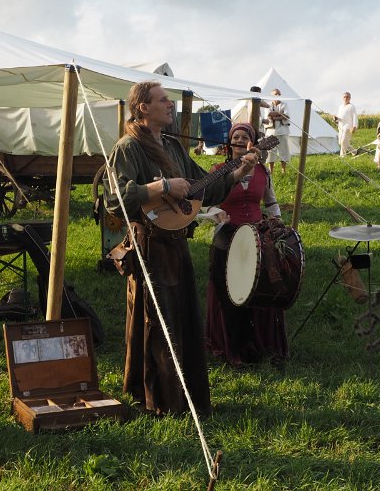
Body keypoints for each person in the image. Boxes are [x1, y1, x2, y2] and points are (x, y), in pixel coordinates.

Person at [103, 81, 256, 417]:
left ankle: (184, 396)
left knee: (183, 321)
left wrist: (238, 172)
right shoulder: (129, 147)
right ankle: (158, 399)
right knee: (157, 323)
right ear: (143, 107)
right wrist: (162, 186)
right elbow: (114, 200)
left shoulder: (172, 146)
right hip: (149, 246)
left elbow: (205, 187)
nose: (170, 105)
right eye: (162, 100)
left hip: (176, 247)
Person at [205, 123, 287, 366]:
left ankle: (259, 340)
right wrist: (217, 213)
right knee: (228, 285)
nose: (240, 140)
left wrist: (278, 221)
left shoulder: (263, 172)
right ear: (230, 143)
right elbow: (207, 202)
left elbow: (271, 203)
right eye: (236, 137)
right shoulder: (218, 170)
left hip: (256, 232)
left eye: (245, 137)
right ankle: (232, 342)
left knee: (261, 285)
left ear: (253, 143)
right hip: (227, 231)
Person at [263, 89, 290, 174]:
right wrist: (280, 114)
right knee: (270, 151)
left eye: (279, 94)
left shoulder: (284, 104)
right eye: (275, 94)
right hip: (271, 131)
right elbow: (269, 114)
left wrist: (275, 116)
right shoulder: (268, 105)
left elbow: (286, 116)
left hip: (282, 131)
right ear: (272, 95)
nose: (277, 95)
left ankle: (283, 170)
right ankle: (271, 170)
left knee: (284, 151)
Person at [335, 92, 358, 157]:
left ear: (350, 98)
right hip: (340, 126)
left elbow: (355, 117)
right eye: (344, 97)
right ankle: (354, 151)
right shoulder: (340, 106)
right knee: (341, 142)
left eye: (347, 97)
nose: (346, 98)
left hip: (348, 127)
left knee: (343, 142)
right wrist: (336, 118)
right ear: (342, 98)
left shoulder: (352, 107)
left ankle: (342, 156)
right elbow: (338, 116)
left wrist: (354, 126)